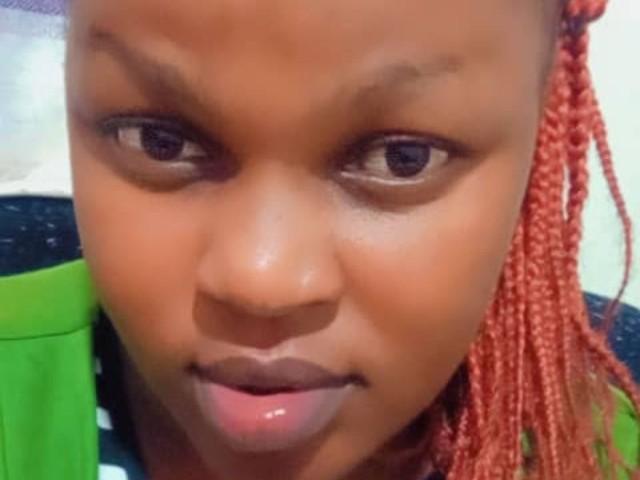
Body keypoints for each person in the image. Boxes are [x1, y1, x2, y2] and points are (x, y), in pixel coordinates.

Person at [0, 0, 638, 478]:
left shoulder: (598, 457)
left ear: (541, 123)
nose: (261, 281)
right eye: (159, 141)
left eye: (402, 159)